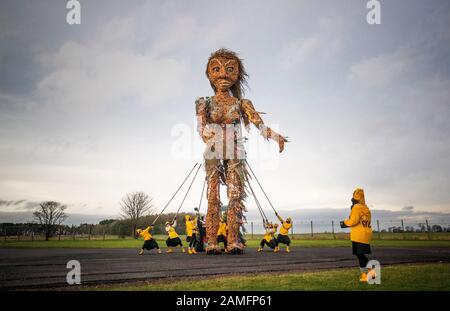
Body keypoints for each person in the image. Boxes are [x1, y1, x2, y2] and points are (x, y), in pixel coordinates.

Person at [340, 188, 374, 282]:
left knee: (360, 255)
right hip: (366, 233)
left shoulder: (356, 207)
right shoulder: (366, 207)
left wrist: (344, 222)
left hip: (358, 234)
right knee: (360, 254)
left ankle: (370, 273)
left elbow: (353, 221)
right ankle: (366, 275)